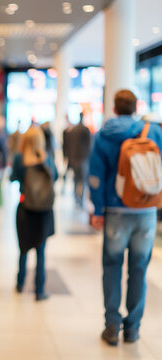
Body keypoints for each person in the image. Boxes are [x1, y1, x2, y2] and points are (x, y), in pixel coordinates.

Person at [89, 89, 162, 346]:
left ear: (115, 108)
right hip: (146, 211)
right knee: (139, 269)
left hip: (116, 210)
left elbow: (96, 176)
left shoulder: (104, 135)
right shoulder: (152, 132)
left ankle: (111, 324)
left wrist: (97, 211)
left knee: (111, 266)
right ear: (135, 107)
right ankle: (132, 328)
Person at [10, 126, 57, 301]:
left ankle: (20, 283)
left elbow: (12, 178)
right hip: (44, 211)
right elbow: (56, 178)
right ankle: (39, 290)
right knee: (41, 250)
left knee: (23, 248)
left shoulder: (19, 159)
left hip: (25, 208)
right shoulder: (48, 159)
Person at [68, 113, 92, 207]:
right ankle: (80, 199)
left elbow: (69, 146)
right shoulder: (85, 130)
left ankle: (76, 198)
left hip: (74, 158)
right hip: (83, 158)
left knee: (76, 179)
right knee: (82, 180)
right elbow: (89, 145)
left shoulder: (73, 130)